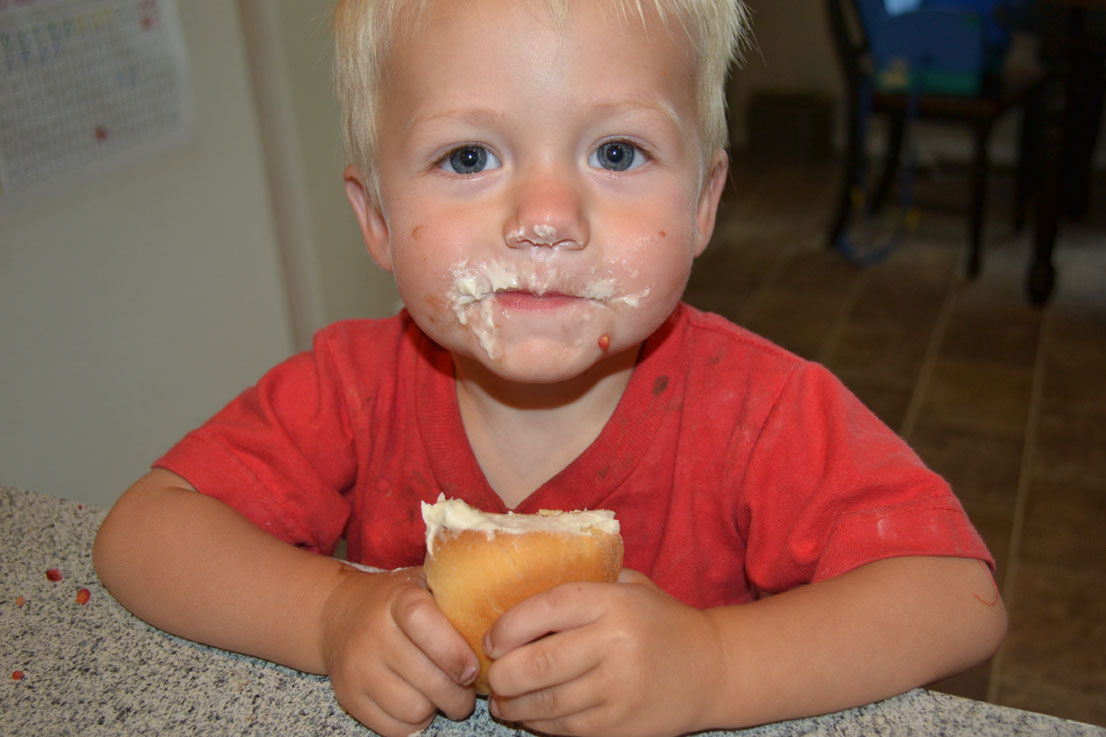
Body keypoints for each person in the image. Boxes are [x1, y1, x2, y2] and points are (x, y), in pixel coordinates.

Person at [92, 1, 1008, 736]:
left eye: (616, 152)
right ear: (373, 216)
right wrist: (330, 619)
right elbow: (144, 535)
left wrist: (716, 667)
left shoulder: (759, 410)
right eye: (469, 156)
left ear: (702, 201)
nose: (544, 215)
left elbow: (955, 600)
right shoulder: (353, 386)